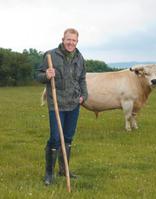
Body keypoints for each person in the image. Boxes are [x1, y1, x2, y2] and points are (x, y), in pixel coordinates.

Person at [37, 28, 88, 185]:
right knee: (55, 138)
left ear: (77, 42)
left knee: (68, 138)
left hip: (74, 104)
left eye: (74, 40)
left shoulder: (80, 58)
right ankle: (49, 174)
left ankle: (63, 169)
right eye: (68, 39)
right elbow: (37, 75)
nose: (71, 43)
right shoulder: (50, 55)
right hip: (57, 105)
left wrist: (83, 96)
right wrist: (46, 75)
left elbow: (82, 79)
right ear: (63, 39)